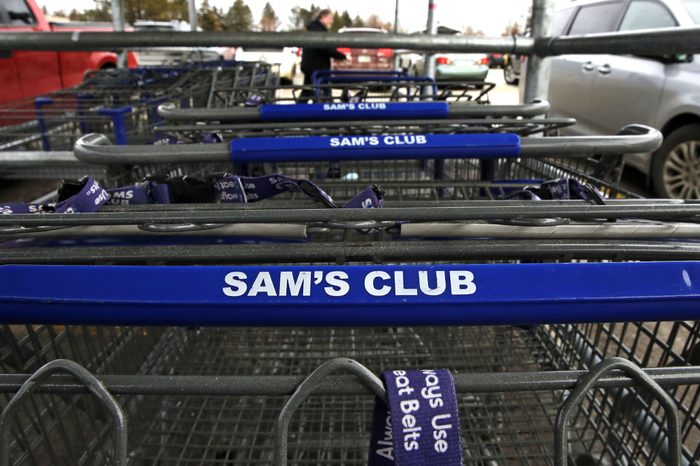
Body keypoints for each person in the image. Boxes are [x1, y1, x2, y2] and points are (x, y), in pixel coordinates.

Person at [299, 9, 347, 102]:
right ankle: (323, 111)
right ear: (322, 17)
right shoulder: (318, 31)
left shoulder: (314, 29)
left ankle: (296, 112)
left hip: (311, 66)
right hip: (316, 67)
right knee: (322, 91)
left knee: (308, 91)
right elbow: (325, 47)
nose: (332, 21)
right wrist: (340, 56)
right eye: (330, 18)